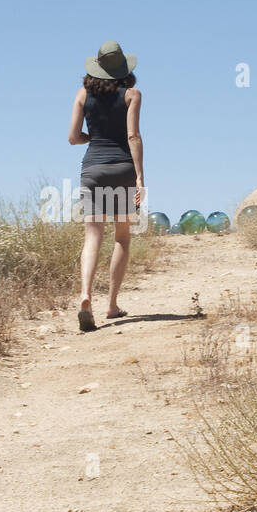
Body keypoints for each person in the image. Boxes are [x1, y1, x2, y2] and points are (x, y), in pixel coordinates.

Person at [67, 40, 144, 332]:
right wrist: (139, 178)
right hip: (122, 168)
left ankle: (85, 295)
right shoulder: (132, 95)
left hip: (93, 169)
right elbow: (133, 136)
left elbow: (73, 137)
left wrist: (94, 138)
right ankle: (111, 304)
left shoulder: (82, 94)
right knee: (122, 237)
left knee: (92, 236)